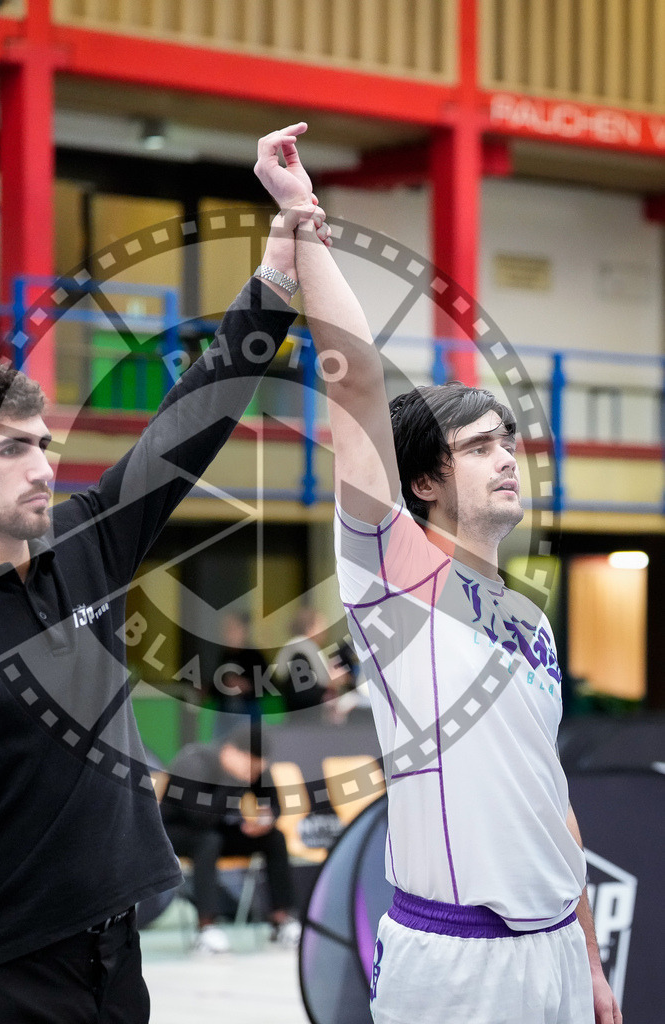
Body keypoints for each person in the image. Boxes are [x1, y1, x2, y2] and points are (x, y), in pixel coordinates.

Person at [0, 184, 329, 1022]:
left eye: (44, 446)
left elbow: (193, 414)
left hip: (115, 961)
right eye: (13, 452)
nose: (43, 467)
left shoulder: (85, 544)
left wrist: (275, 278)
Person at [254, 124, 621, 1024]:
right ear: (423, 480)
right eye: (478, 446)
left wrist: (590, 961)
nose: (507, 460)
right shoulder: (392, 574)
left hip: (558, 960)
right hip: (456, 962)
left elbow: (549, 798)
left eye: (510, 443)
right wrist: (303, 226)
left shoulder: (529, 618)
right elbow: (360, 389)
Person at [160, 726, 300, 953]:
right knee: (208, 841)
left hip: (218, 831)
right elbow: (198, 818)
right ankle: (207, 928)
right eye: (251, 769)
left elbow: (274, 803)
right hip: (177, 833)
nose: (253, 776)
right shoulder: (194, 762)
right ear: (230, 752)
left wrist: (266, 820)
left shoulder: (252, 768)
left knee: (274, 838)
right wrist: (233, 781)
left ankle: (282, 920)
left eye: (258, 770)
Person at [274, 606, 350, 712]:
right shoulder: (299, 653)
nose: (325, 629)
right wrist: (331, 681)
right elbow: (303, 693)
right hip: (303, 719)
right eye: (321, 624)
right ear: (310, 628)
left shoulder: (299, 650)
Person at [209, 610, 269, 737]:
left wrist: (247, 685)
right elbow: (215, 686)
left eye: (232, 629)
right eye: (225, 629)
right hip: (224, 713)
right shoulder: (224, 655)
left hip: (248, 712)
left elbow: (267, 685)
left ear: (243, 631)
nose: (227, 634)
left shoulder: (255, 656)